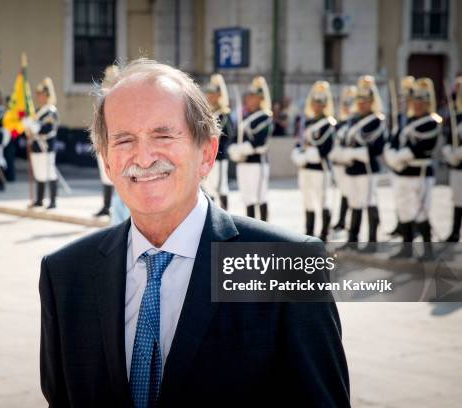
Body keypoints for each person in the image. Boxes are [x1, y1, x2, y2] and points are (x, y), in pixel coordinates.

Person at [39, 59, 349, 407]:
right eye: (124, 140)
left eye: (163, 135)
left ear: (207, 153)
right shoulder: (65, 275)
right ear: (107, 161)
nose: (143, 157)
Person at [384, 78, 441, 258]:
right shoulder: (406, 121)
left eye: (421, 102)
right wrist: (391, 155)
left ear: (427, 103)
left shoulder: (432, 122)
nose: (417, 105)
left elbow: (421, 147)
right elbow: (393, 142)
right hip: (402, 173)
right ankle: (406, 248)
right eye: (415, 101)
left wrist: (399, 156)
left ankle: (428, 250)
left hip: (421, 174)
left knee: (421, 211)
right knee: (404, 210)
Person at [340, 76, 386, 251]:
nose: (361, 104)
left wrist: (356, 153)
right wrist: (346, 154)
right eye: (359, 100)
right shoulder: (353, 120)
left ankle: (372, 241)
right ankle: (352, 239)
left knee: (369, 202)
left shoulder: (377, 120)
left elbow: (377, 147)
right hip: (352, 168)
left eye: (365, 101)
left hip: (368, 169)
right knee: (355, 203)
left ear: (372, 102)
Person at [291, 81, 336, 242]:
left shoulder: (328, 124)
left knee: (323, 201)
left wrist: (308, 153)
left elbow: (325, 149)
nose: (317, 106)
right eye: (315, 103)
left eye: (320, 103)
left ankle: (324, 234)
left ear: (325, 105)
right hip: (305, 168)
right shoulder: (307, 123)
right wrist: (298, 154)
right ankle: (309, 233)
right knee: (308, 201)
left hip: (320, 169)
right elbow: (299, 143)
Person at [227, 76, 273, 220]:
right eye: (248, 96)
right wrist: (234, 149)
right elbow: (235, 138)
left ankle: (265, 231)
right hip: (243, 163)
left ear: (260, 98)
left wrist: (241, 149)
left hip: (258, 163)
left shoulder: (265, 117)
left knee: (260, 197)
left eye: (252, 97)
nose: (249, 100)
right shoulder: (245, 117)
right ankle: (253, 231)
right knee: (247, 198)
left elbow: (260, 142)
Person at [386, 76, 415, 237]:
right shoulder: (398, 117)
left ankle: (415, 229)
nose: (402, 102)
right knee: (400, 199)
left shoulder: (413, 119)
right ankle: (400, 225)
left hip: (410, 164)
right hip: (396, 163)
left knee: (413, 203)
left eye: (406, 98)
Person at [24, 77, 59, 209]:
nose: (39, 97)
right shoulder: (37, 112)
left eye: (41, 95)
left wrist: (36, 128)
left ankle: (53, 201)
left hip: (46, 146)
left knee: (50, 173)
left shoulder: (51, 111)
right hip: (36, 146)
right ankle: (39, 200)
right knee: (39, 173)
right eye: (38, 95)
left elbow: (50, 129)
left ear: (47, 96)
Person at [201, 73, 234, 210]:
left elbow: (229, 134)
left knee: (221, 188)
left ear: (219, 95)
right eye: (208, 93)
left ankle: (224, 216)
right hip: (205, 157)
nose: (209, 96)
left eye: (213, 93)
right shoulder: (206, 113)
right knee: (208, 188)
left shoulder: (224, 114)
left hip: (219, 157)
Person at [94, 65, 119, 217]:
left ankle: (119, 208)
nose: (107, 84)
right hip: (103, 139)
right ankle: (107, 205)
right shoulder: (101, 99)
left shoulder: (120, 99)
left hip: (114, 140)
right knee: (105, 174)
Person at [331, 85, 356, 231]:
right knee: (343, 193)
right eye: (345, 104)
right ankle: (341, 220)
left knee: (351, 195)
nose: (347, 107)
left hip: (348, 164)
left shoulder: (353, 124)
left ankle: (347, 222)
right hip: (338, 164)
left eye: (350, 104)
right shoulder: (339, 123)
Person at [442, 76, 462, 242]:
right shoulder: (456, 118)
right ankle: (455, 232)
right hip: (457, 168)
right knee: (457, 200)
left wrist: (458, 153)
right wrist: (449, 153)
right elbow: (449, 140)